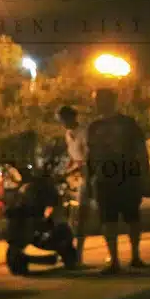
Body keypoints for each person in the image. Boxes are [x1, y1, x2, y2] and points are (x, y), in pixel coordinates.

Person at [86, 87, 150, 273]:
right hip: (104, 178)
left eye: (100, 99)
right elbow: (91, 154)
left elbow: (141, 150)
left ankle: (135, 255)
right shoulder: (94, 127)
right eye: (96, 100)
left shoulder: (128, 124)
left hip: (127, 175)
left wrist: (145, 175)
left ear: (111, 100)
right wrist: (89, 177)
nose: (97, 103)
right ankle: (114, 259)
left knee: (132, 217)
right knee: (108, 219)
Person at [58, 105, 90, 259]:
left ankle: (79, 253)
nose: (63, 123)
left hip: (87, 177)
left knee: (81, 216)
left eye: (64, 119)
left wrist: (70, 171)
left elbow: (85, 160)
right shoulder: (68, 134)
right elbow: (73, 156)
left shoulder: (84, 133)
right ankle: (70, 250)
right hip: (74, 179)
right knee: (71, 216)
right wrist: (66, 168)